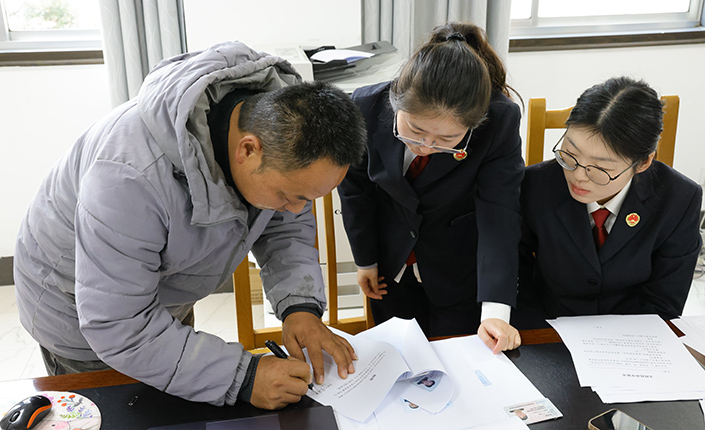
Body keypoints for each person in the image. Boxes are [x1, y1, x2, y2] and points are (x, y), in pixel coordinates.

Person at [13, 41, 367, 410]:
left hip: (159, 297)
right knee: (123, 414)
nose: (297, 209)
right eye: (290, 195)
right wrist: (244, 377)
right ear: (248, 150)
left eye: (308, 199)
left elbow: (283, 225)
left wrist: (300, 308)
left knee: (177, 389)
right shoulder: (128, 179)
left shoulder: (281, 134)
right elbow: (119, 327)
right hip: (81, 318)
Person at [337, 22, 524, 352]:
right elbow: (355, 189)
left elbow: (500, 212)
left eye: (447, 139)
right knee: (398, 359)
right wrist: (365, 260)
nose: (425, 146)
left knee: (461, 361)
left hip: (460, 269)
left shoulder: (499, 120)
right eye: (415, 129)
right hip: (391, 267)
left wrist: (496, 311)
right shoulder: (365, 107)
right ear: (396, 101)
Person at [515, 76, 702, 328]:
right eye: (570, 154)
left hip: (632, 332)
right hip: (548, 327)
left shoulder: (679, 199)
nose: (579, 176)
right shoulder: (534, 186)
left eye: (600, 168)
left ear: (643, 163)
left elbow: (664, 302)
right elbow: (516, 275)